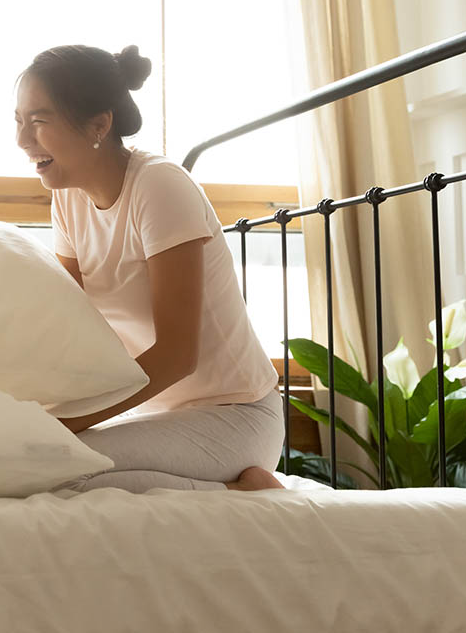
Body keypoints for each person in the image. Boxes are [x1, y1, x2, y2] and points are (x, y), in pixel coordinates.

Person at [14, 43, 284, 492]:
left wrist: (72, 421)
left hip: (235, 416)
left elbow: (179, 354)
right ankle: (231, 490)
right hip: (157, 413)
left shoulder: (159, 186)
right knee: (27, 461)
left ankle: (242, 492)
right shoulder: (68, 195)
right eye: (19, 121)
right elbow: (62, 318)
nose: (23, 140)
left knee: (60, 475)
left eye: (39, 121)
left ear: (100, 124)